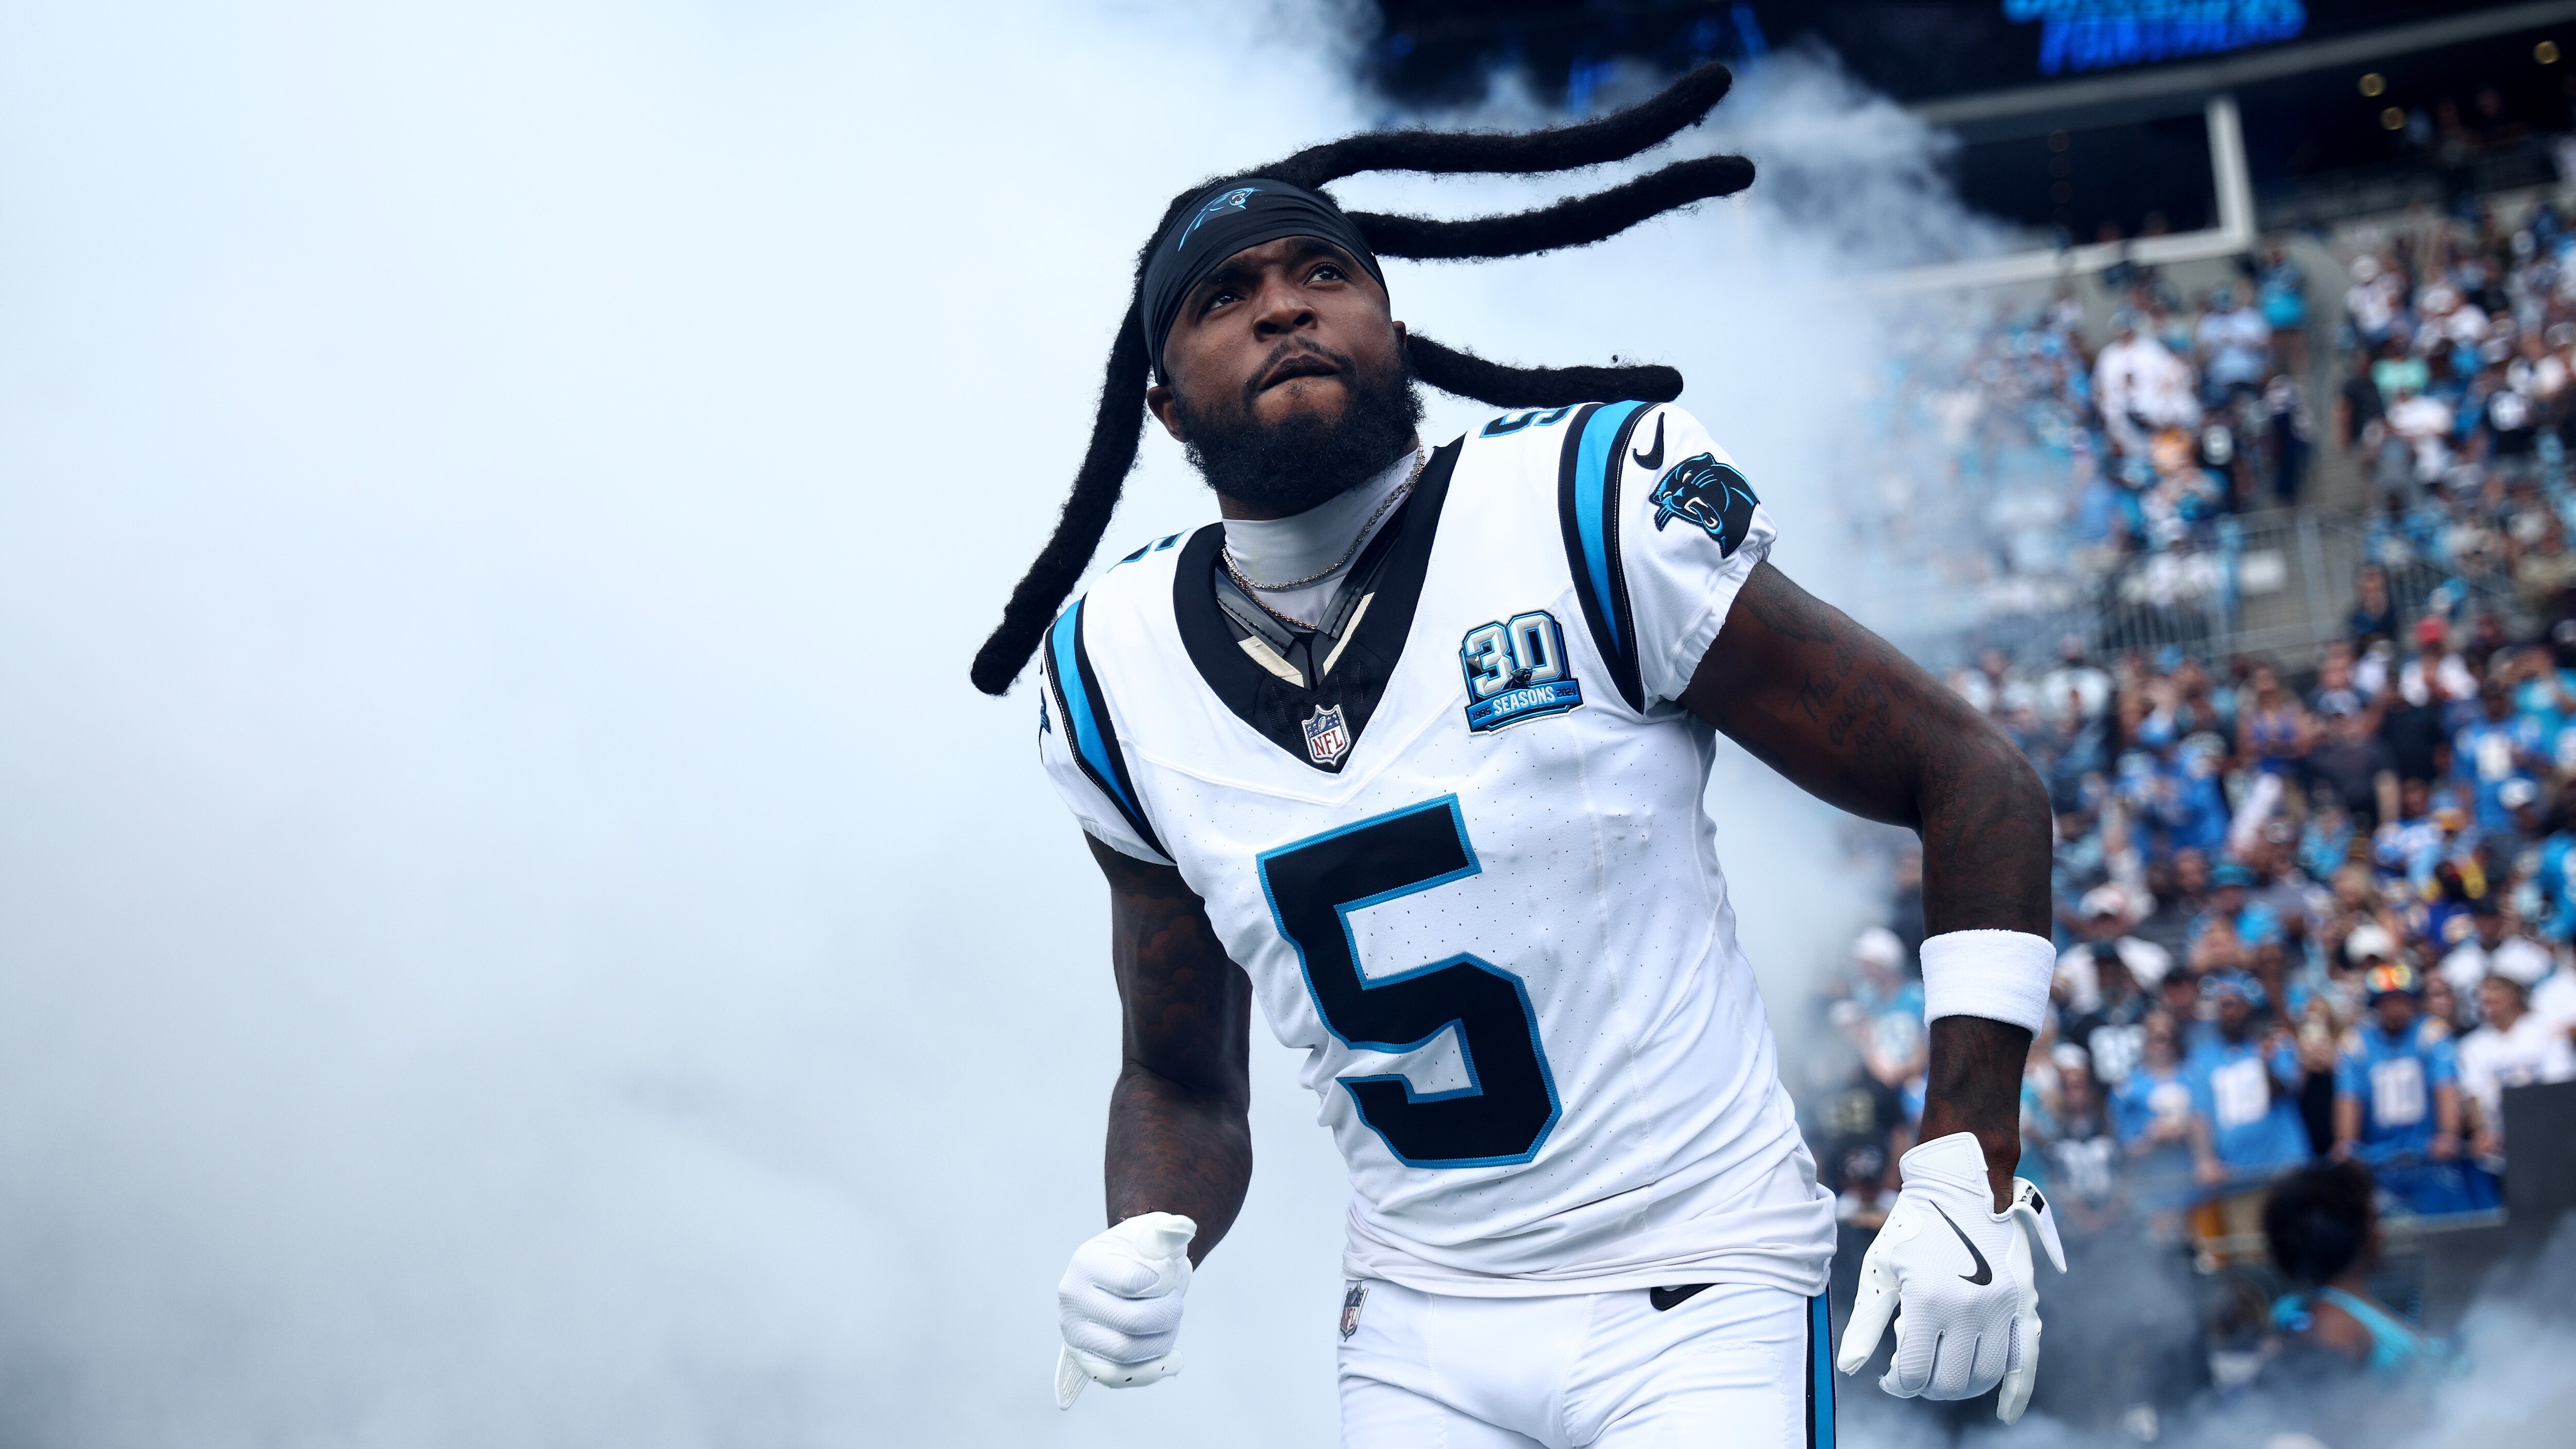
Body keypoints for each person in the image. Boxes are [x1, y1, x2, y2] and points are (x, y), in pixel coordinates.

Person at [996, 70, 2067, 1442]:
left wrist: (1966, 1162)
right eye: (1224, 295)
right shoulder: (1110, 670)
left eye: (1325, 269)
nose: (1284, 304)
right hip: (1418, 1325)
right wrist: (1149, 1227)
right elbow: (1180, 1076)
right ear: (1163, 404)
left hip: (1700, 1284)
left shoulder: (1583, 508)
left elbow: (1973, 776)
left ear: (1391, 318)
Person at [2332, 962, 2489, 1215]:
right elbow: (2349, 1099)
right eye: (2388, 1001)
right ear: (2376, 1005)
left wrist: (2448, 1133)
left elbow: (2445, 1087)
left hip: (2428, 1156)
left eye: (2402, 1000)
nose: (2396, 1008)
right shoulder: (2356, 1043)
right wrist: (2347, 1143)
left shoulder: (2431, 1034)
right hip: (2379, 1160)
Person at [2262, 1160, 2442, 1380]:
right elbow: (2320, 1403)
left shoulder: (2340, 1310)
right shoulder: (2334, 1322)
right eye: (2375, 1220)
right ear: (2357, 1234)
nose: (2381, 1234)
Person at [2186, 971, 2310, 1185]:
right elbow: (2200, 1115)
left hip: (2285, 1165)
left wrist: (2264, 1062)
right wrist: (2205, 1161)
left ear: (2249, 1007)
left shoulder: (2275, 1044)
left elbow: (2289, 1088)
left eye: (2235, 1004)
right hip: (2235, 1174)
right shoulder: (2203, 1059)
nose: (2230, 1012)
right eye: (2223, 1005)